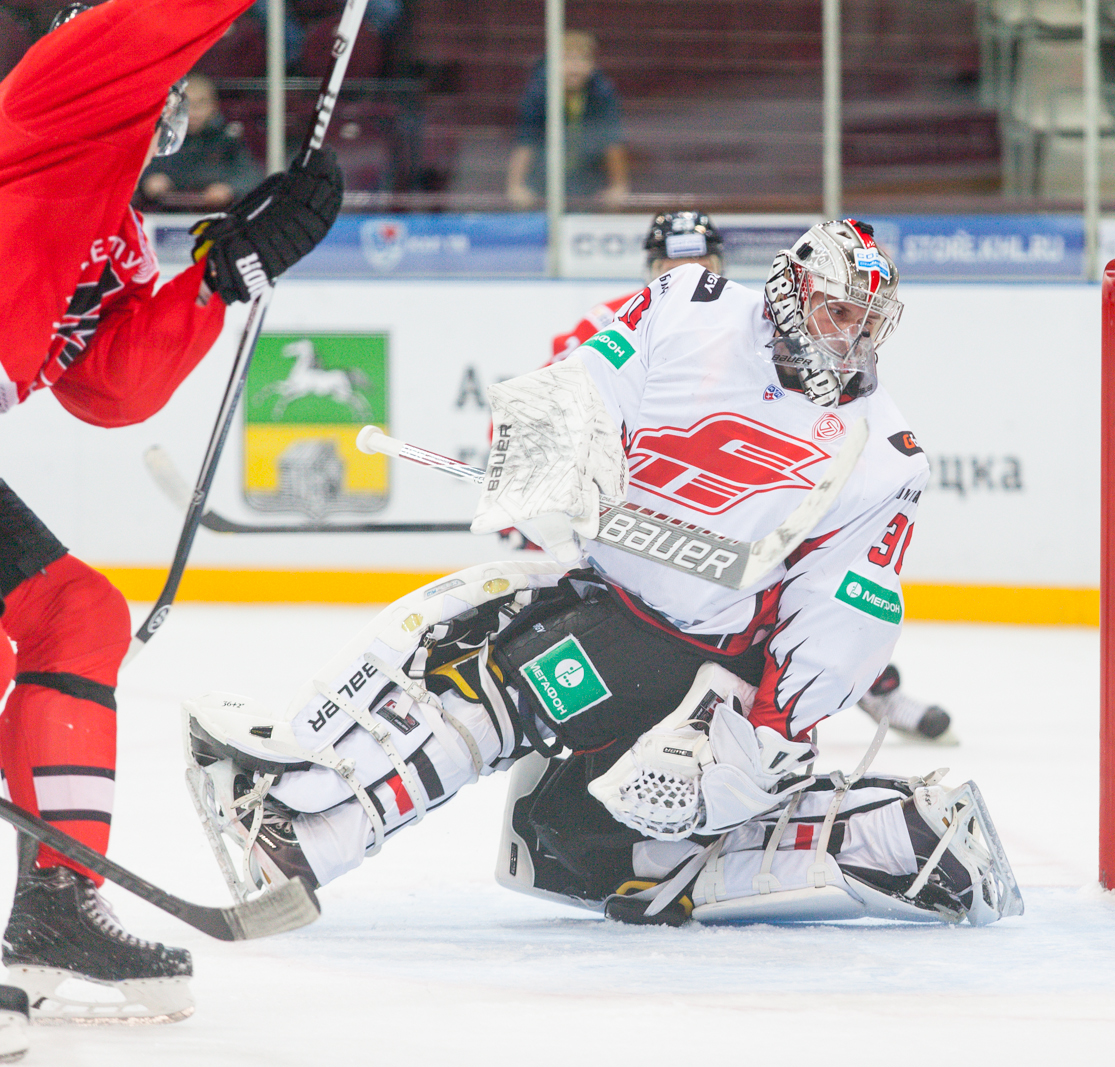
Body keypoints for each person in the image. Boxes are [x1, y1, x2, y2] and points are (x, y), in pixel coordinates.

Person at [186, 220, 1021, 930]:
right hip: (608, 591)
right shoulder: (686, 308)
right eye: (840, 312)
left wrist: (767, 733)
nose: (854, 338)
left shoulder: (885, 451)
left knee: (500, 689)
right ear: (792, 289)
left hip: (695, 660)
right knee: (486, 701)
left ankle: (307, 846)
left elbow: (846, 614)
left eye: (870, 324)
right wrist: (562, 459)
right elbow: (583, 383)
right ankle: (302, 788)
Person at [0, 0, 342, 1033]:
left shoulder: (107, 212)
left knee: (78, 617)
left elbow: (106, 388)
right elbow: (154, 20)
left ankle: (55, 907)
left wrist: (226, 271)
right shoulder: (48, 107)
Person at [544, 209, 956, 743]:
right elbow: (558, 401)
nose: (688, 267)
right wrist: (548, 481)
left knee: (808, 592)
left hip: (715, 537)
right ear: (651, 265)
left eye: (702, 259)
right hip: (628, 518)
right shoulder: (632, 318)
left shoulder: (741, 328)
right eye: (674, 259)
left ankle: (876, 691)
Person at [505, 30, 627, 208]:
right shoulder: (539, 91)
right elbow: (526, 140)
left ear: (592, 65)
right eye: (567, 59)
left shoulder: (601, 91)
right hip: (543, 181)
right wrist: (515, 186)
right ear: (551, 64)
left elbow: (611, 141)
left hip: (587, 181)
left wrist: (619, 186)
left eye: (583, 60)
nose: (575, 68)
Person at [139, 73, 261, 209]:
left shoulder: (228, 139)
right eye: (186, 105)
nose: (193, 112)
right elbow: (133, 170)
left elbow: (250, 176)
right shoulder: (160, 137)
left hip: (214, 215)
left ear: (214, 107)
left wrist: (230, 189)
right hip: (163, 214)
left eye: (200, 104)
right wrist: (147, 180)